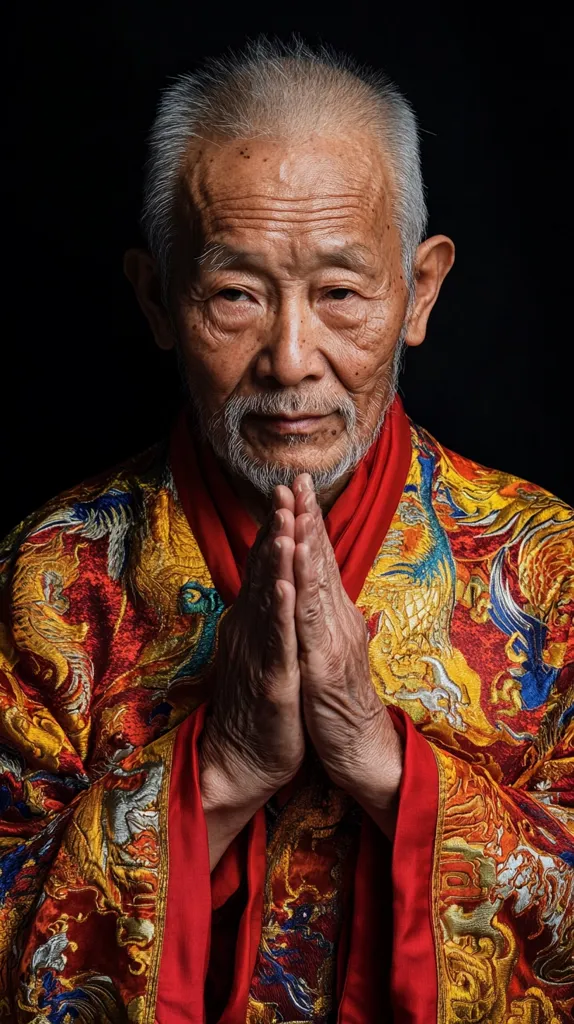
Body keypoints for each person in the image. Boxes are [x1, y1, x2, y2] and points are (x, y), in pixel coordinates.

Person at [0, 38, 572, 1024]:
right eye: (236, 294)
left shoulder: (546, 563)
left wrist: (380, 759)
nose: (290, 357)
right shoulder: (51, 572)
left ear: (419, 292)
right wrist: (217, 768)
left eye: (341, 292)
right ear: (157, 298)